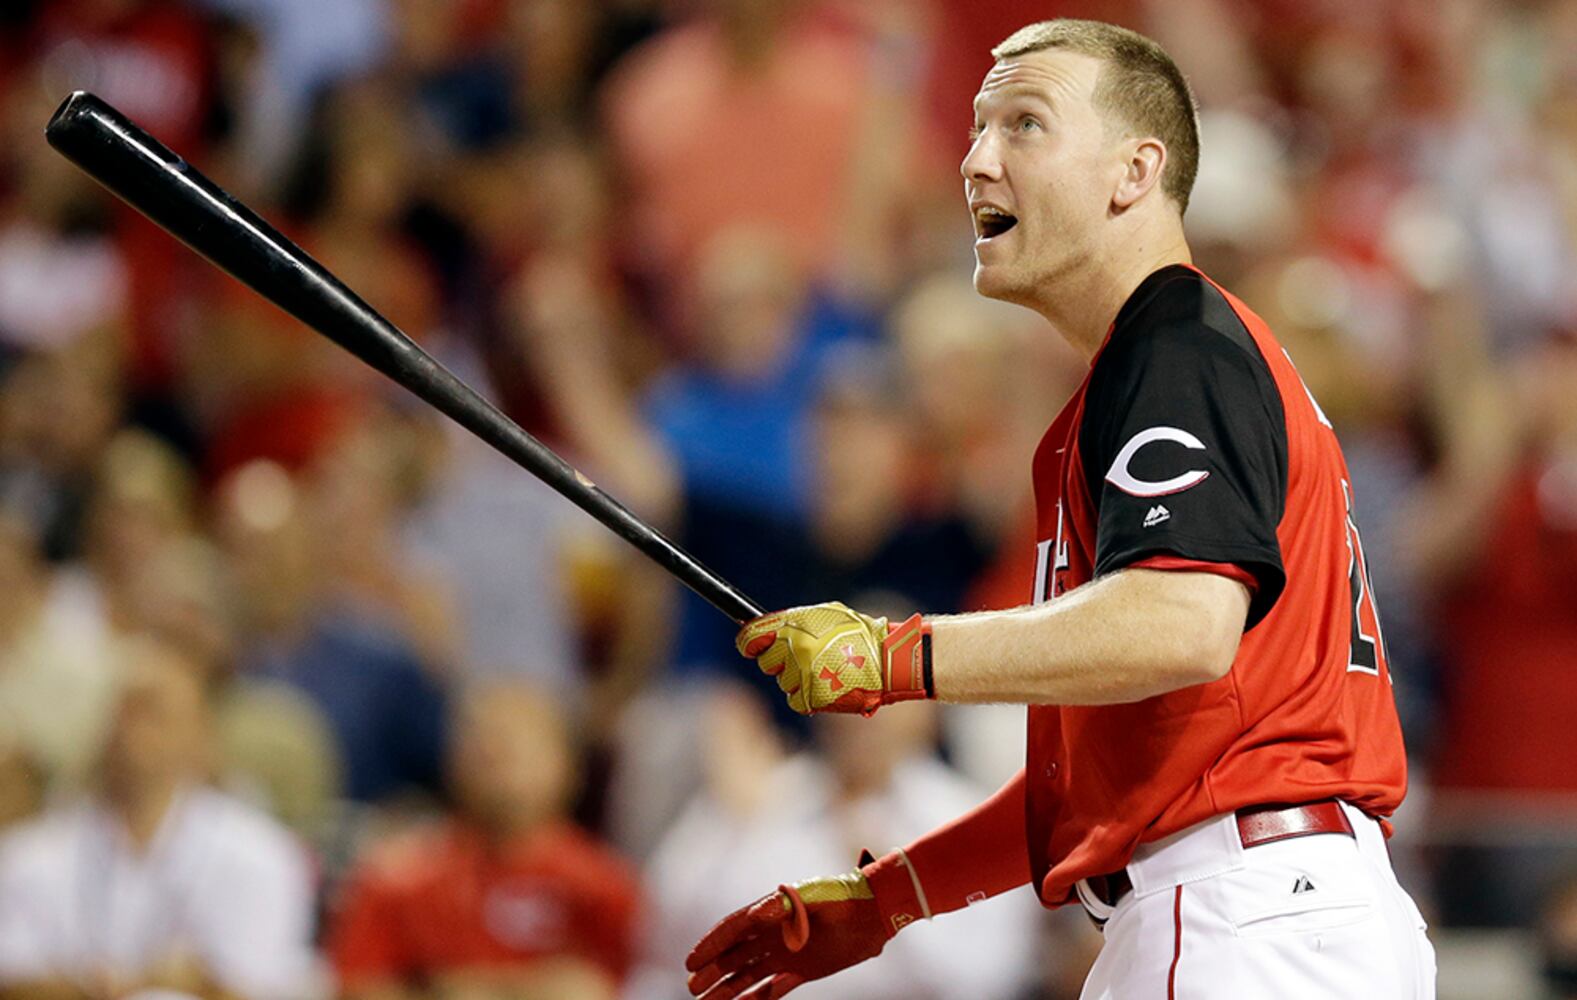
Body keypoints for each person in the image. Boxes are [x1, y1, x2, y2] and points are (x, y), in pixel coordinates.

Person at [688, 19, 1435, 1000]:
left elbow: (1182, 622)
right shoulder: (1169, 363)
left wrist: (892, 656)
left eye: (1024, 124)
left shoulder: (1173, 348)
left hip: (1238, 910)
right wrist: (891, 898)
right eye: (975, 128)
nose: (974, 160)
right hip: (1273, 904)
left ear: (1133, 172)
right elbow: (1092, 772)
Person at [0, 636, 318, 998]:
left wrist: (166, 985)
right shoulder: (30, 855)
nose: (133, 732)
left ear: (201, 736)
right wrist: (123, 984)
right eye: (124, 711)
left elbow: (260, 986)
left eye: (155, 714)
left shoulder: (260, 854)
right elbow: (13, 980)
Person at [327, 680, 642, 999]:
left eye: (514, 745)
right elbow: (358, 985)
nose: (494, 756)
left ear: (567, 765)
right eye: (480, 743)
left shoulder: (605, 888)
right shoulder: (397, 879)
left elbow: (637, 983)